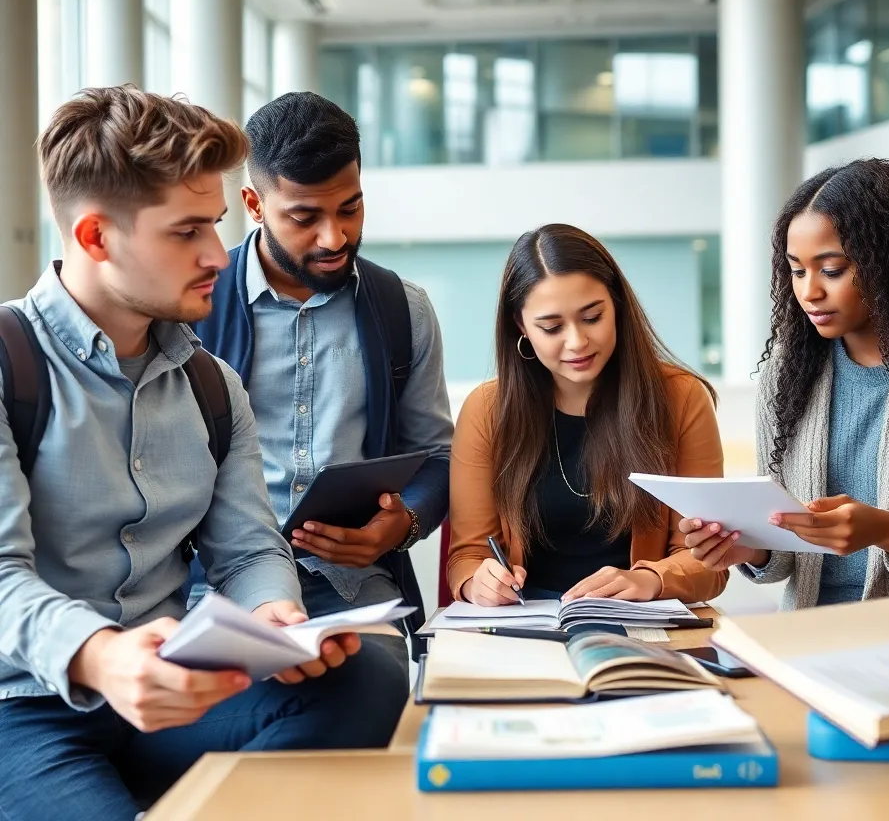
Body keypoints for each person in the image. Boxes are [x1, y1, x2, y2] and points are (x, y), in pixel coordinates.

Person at [0, 86, 406, 821]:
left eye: (216, 226)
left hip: (174, 686)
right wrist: (99, 656)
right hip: (21, 707)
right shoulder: (8, 365)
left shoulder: (211, 384)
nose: (219, 255)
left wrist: (279, 621)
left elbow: (248, 550)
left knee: (368, 680)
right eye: (187, 232)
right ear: (95, 237)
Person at [192, 92, 454, 671]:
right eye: (305, 217)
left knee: (378, 693)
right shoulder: (194, 305)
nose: (334, 238)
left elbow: (438, 457)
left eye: (350, 208)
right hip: (211, 589)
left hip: (355, 590)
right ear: (253, 204)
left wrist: (401, 523)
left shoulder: (401, 309)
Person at [680, 159, 889, 609]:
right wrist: (747, 548)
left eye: (831, 269)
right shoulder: (787, 374)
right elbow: (786, 552)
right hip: (807, 635)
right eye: (796, 270)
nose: (808, 292)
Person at [447, 223, 727, 606]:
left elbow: (710, 562)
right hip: (529, 622)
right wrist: (476, 583)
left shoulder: (681, 398)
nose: (577, 342)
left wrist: (650, 579)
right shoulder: (486, 411)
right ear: (521, 327)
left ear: (617, 306)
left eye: (592, 317)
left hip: (638, 618)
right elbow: (467, 557)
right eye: (551, 327)